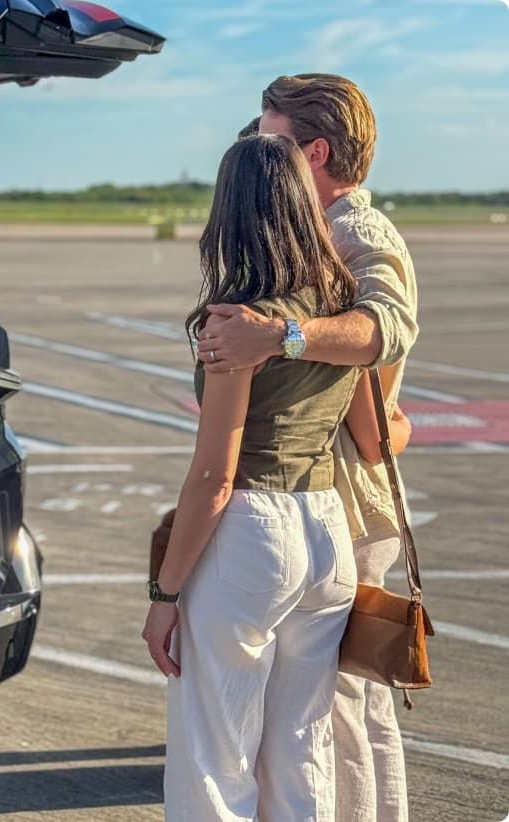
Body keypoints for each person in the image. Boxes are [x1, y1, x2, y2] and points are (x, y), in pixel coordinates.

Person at [196, 74, 418, 822]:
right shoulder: (316, 248)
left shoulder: (358, 233)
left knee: (340, 722)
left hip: (336, 501)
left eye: (273, 143)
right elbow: (372, 406)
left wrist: (280, 335)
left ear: (313, 151)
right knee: (320, 723)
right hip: (326, 506)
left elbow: (385, 326)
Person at [142, 133, 365, 821]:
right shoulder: (340, 301)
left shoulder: (238, 320)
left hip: (252, 531)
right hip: (328, 530)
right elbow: (373, 435)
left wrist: (164, 593)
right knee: (301, 749)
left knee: (215, 758)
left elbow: (213, 475)